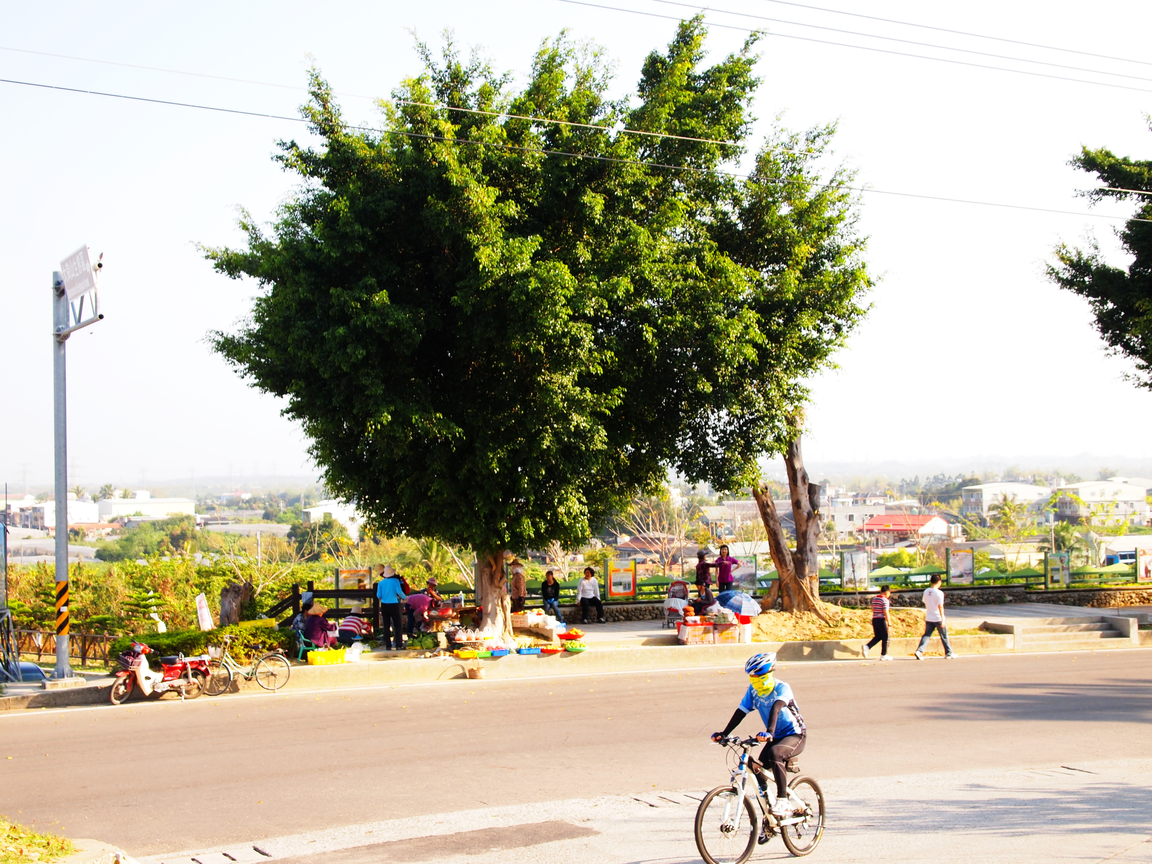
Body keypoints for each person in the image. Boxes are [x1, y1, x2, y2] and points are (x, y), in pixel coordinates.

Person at [711, 652, 806, 829]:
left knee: (774, 753)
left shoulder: (782, 688)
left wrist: (769, 732)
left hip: (794, 734)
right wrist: (724, 733)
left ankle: (783, 800)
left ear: (769, 673)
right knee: (757, 771)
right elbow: (741, 711)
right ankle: (769, 823)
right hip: (774, 737)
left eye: (758, 676)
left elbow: (776, 709)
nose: (755, 680)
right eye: (752, 677)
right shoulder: (753, 691)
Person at [915, 574, 955, 659]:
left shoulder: (926, 591)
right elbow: (940, 606)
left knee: (927, 635)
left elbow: (925, 602)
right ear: (939, 582)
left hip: (929, 617)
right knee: (944, 635)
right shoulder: (939, 593)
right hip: (938, 617)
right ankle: (949, 653)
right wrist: (942, 618)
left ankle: (919, 651)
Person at [375, 563, 407, 650]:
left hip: (384, 605)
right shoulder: (395, 581)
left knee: (386, 625)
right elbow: (399, 592)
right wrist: (405, 597)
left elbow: (378, 595)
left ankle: (388, 645)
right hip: (394, 604)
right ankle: (398, 644)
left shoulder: (381, 583)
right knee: (397, 625)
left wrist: (385, 596)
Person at [861, 585, 893, 661]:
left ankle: (867, 646)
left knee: (878, 636)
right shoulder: (885, 600)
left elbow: (873, 608)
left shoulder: (875, 599)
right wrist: (889, 623)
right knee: (885, 637)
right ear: (887, 592)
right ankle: (883, 654)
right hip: (881, 620)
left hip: (874, 619)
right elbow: (886, 612)